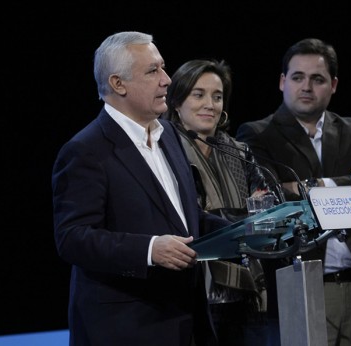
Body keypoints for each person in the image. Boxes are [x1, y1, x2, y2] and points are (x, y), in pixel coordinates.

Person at [52, 31, 231, 346]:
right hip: (126, 329)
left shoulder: (170, 136)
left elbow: (183, 220)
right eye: (153, 71)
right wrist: (149, 250)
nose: (166, 80)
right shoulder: (86, 150)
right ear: (118, 84)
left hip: (187, 323)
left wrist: (239, 231)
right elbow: (73, 238)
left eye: (163, 68)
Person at [236, 37, 351, 345]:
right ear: (283, 81)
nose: (306, 86)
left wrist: (318, 185)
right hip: (300, 280)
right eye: (297, 77)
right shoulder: (258, 134)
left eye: (317, 79)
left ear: (333, 85)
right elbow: (271, 196)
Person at [161, 58, 281, 346]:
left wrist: (231, 214)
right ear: (176, 101)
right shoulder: (164, 151)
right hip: (196, 292)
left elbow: (269, 206)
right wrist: (244, 213)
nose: (210, 105)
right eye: (198, 94)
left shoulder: (238, 151)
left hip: (248, 290)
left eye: (217, 96)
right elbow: (190, 216)